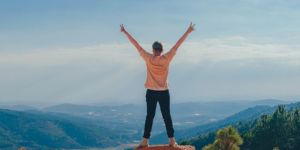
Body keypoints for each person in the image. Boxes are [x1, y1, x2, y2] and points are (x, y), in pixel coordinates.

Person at [120, 23, 195, 148]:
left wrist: (125, 32)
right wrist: (188, 31)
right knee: (167, 116)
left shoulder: (148, 58)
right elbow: (178, 44)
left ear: (153, 50)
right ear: (162, 50)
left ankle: (145, 140)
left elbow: (136, 45)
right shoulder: (167, 58)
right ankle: (172, 140)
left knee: (150, 116)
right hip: (164, 92)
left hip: (151, 92)